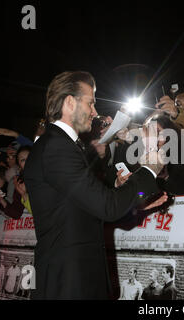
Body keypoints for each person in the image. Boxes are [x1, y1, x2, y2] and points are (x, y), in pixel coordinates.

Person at [24, 71, 167, 300]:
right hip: (68, 283)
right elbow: (107, 207)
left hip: (74, 277)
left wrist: (131, 195)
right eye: (90, 103)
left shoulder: (61, 146)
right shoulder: (57, 148)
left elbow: (89, 209)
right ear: (70, 102)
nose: (95, 112)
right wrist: (149, 170)